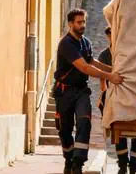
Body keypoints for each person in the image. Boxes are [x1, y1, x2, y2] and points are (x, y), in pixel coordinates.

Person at [54, 9, 123, 174]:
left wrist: (113, 70)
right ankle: (68, 159)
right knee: (65, 129)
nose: (82, 25)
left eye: (84, 22)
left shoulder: (85, 42)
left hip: (81, 92)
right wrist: (109, 76)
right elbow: (84, 67)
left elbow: (92, 61)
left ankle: (78, 163)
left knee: (84, 122)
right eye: (79, 22)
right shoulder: (66, 44)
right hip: (64, 92)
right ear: (70, 24)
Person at [96, 26, 136, 174]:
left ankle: (134, 167)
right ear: (107, 37)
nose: (113, 38)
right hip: (115, 99)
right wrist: (104, 97)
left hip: (133, 96)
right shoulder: (104, 55)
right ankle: (122, 165)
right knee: (119, 131)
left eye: (115, 35)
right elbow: (102, 81)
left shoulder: (129, 53)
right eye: (110, 36)